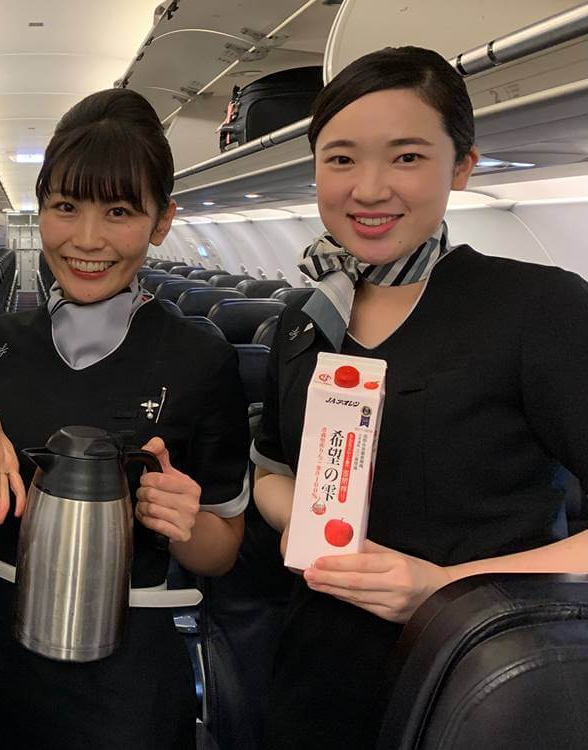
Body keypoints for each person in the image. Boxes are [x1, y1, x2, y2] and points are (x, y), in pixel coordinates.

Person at [251, 46, 588, 748]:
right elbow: (272, 470)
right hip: (314, 675)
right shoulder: (304, 319)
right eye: (341, 158)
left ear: (462, 166)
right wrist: (304, 521)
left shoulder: (537, 308)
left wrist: (445, 586)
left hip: (477, 683)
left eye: (406, 157)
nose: (369, 188)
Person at [0, 88, 251, 749]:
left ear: (161, 221)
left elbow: (220, 553)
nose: (86, 239)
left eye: (119, 211)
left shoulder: (200, 357)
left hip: (132, 668)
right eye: (65, 207)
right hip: (2, 644)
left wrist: (184, 522)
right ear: (41, 209)